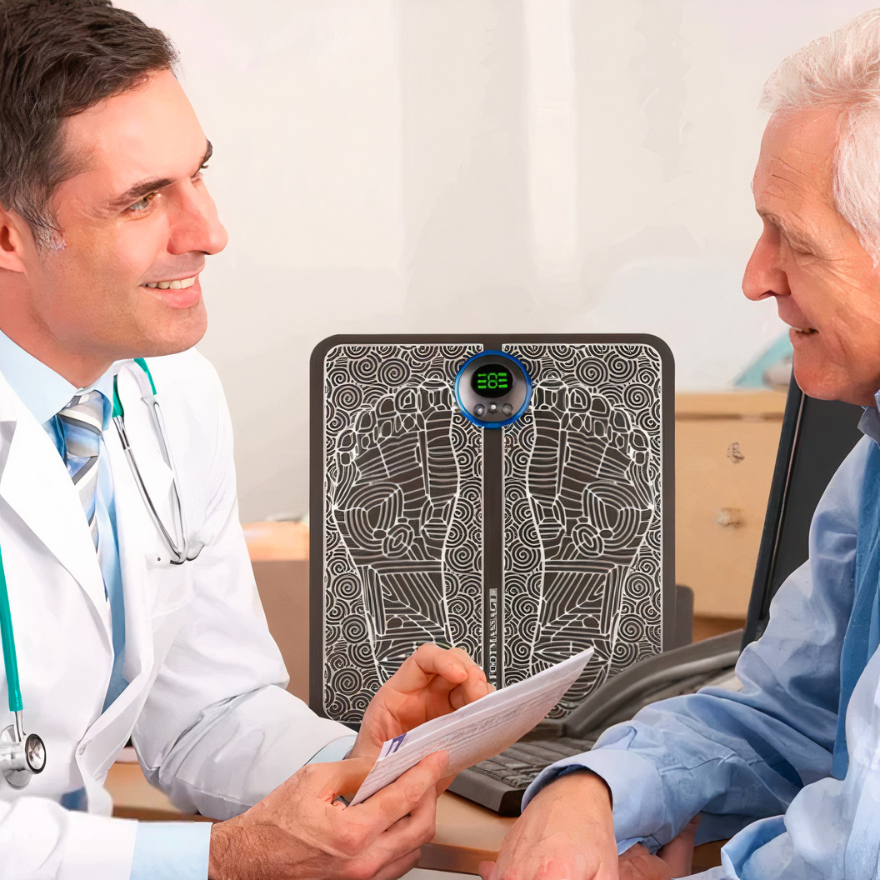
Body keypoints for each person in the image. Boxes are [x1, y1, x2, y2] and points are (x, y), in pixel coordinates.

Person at [0, 1, 494, 878]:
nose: (209, 233)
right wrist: (223, 860)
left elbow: (210, 711)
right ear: (7, 235)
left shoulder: (174, 396)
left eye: (199, 174)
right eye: (142, 199)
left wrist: (354, 768)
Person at [484, 8, 880, 880]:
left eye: (794, 240)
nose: (755, 278)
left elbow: (857, 853)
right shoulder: (872, 462)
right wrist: (588, 788)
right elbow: (786, 716)